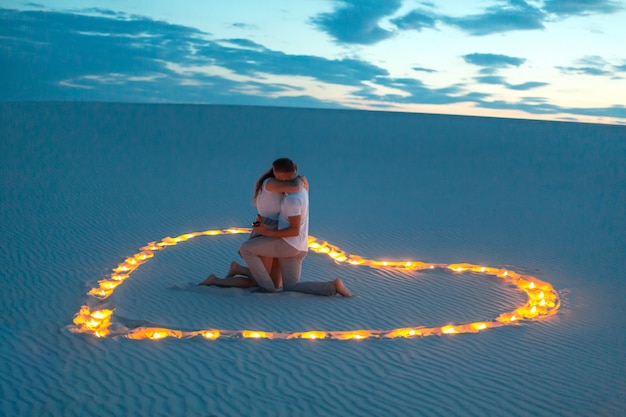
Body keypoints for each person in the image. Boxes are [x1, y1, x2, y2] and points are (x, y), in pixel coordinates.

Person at [200, 157, 351, 297]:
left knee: (272, 281)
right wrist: (300, 180)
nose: (284, 181)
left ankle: (238, 270)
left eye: (286, 178)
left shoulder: (291, 195)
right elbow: (264, 213)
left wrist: (300, 180)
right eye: (281, 178)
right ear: (275, 174)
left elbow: (294, 199)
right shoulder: (272, 184)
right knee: (263, 280)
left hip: (277, 231)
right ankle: (221, 278)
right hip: (268, 227)